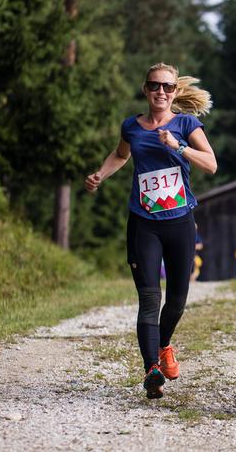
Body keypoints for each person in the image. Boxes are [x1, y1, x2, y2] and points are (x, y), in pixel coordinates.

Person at [84, 63, 217, 399]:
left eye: (167, 87)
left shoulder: (186, 124)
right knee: (148, 298)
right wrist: (101, 174)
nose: (161, 92)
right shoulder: (131, 126)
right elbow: (120, 154)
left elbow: (211, 164)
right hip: (143, 222)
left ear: (175, 92)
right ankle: (151, 370)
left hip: (180, 222)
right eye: (155, 86)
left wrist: (178, 146)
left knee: (176, 300)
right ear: (145, 89)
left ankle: (164, 345)